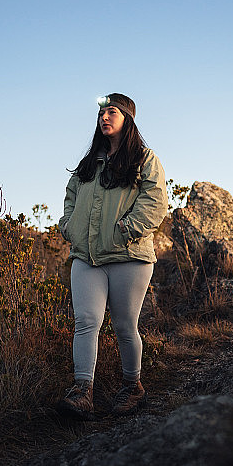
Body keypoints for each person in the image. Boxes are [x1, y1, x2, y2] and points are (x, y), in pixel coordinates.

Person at [57, 93, 167, 419]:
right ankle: (82, 392)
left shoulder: (144, 159)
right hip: (87, 256)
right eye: (101, 113)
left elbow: (156, 201)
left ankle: (133, 387)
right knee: (86, 322)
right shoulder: (89, 164)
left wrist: (127, 229)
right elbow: (71, 197)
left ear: (127, 119)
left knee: (124, 325)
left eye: (112, 112)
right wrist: (69, 227)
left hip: (128, 255)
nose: (104, 117)